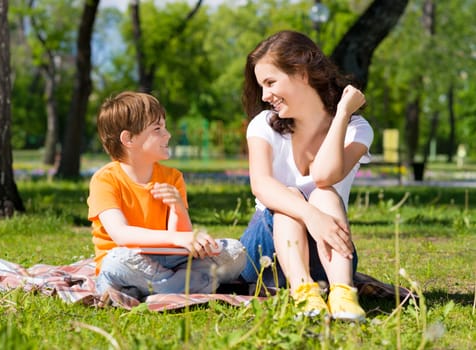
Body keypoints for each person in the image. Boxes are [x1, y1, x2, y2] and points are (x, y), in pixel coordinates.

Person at [239, 30, 373, 321]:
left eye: (271, 82)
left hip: (327, 254)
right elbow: (261, 186)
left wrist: (340, 116)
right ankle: (303, 294)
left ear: (301, 73)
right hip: (265, 251)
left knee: (324, 192)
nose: (264, 96)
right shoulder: (263, 125)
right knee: (289, 195)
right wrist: (310, 215)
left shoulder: (356, 129)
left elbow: (325, 176)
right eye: (262, 85)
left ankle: (342, 293)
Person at [88, 91, 246, 300]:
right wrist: (179, 237)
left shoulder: (172, 177)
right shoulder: (105, 179)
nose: (167, 134)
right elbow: (121, 234)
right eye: (157, 129)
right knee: (115, 260)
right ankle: (192, 284)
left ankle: (155, 289)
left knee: (235, 251)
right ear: (128, 139)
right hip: (129, 261)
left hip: (169, 261)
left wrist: (178, 208)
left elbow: (180, 240)